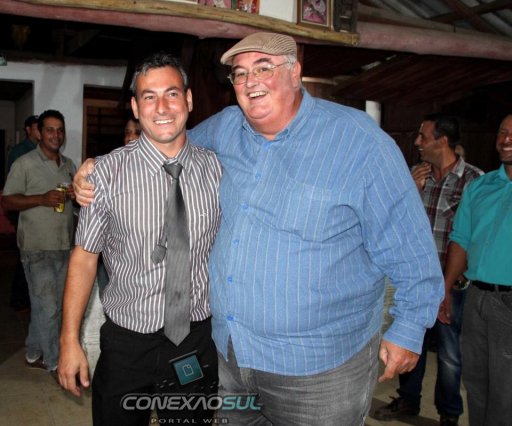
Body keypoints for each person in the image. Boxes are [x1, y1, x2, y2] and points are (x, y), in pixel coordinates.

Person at [73, 33, 443, 425]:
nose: (251, 82)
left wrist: (408, 327)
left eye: (264, 68)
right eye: (240, 73)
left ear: (295, 72)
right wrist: (99, 167)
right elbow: (166, 139)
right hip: (231, 359)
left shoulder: (359, 142)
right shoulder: (226, 128)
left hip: (319, 373)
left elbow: (410, 245)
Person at [58, 53, 222, 425]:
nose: (161, 107)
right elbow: (84, 259)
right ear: (135, 107)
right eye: (149, 97)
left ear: (189, 100)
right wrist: (69, 340)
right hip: (127, 345)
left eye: (172, 94)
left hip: (192, 342)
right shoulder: (105, 174)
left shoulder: (216, 169)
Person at [373, 114, 482, 426]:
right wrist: (412, 191)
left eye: (423, 136)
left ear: (442, 141)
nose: (418, 143)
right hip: (415, 281)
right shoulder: (414, 175)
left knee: (449, 354)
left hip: (453, 283)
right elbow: (392, 222)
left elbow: (476, 235)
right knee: (409, 340)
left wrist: (454, 280)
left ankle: (449, 414)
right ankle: (408, 400)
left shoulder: (474, 180)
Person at [443, 113, 512, 426]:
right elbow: (460, 239)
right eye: (502, 132)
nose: (505, 140)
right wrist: (446, 288)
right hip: (476, 299)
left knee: (506, 392)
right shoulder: (481, 186)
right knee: (475, 384)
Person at [2, 109, 77, 375]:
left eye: (60, 130)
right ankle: (55, 362)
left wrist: (75, 195)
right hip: (36, 247)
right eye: (50, 130)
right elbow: (7, 201)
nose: (56, 135)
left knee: (49, 305)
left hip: (63, 245)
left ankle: (34, 351)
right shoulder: (24, 163)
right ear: (39, 133)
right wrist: (41, 199)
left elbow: (75, 205)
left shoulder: (68, 165)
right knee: (49, 308)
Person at [5, 115, 39, 313]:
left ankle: (27, 297)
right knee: (24, 256)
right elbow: (14, 186)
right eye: (37, 127)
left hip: (37, 211)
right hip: (23, 208)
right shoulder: (20, 152)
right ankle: (19, 299)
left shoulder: (43, 150)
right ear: (28, 129)